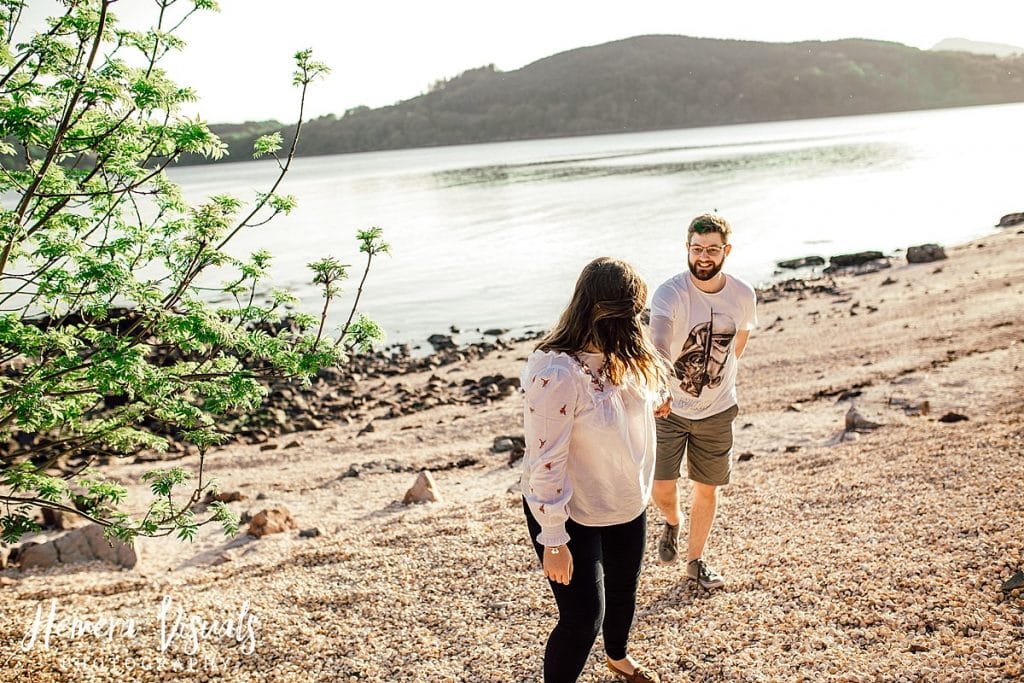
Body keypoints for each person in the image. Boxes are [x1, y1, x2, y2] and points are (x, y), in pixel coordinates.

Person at [521, 257, 670, 683]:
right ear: (610, 314)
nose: (639, 322)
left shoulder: (622, 354)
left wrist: (653, 402)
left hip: (624, 496)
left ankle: (618, 657)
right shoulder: (556, 374)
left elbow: (633, 395)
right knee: (584, 617)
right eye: (634, 312)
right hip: (568, 508)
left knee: (625, 588)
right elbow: (546, 460)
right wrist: (553, 539)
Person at [649, 213, 757, 589]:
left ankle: (695, 561)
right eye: (697, 249)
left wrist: (717, 382)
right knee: (661, 486)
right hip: (669, 409)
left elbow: (737, 345)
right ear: (688, 249)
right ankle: (673, 522)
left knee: (707, 488)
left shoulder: (743, 294)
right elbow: (659, 341)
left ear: (726, 250)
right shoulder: (669, 293)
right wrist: (662, 383)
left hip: (718, 410)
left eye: (712, 249)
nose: (704, 257)